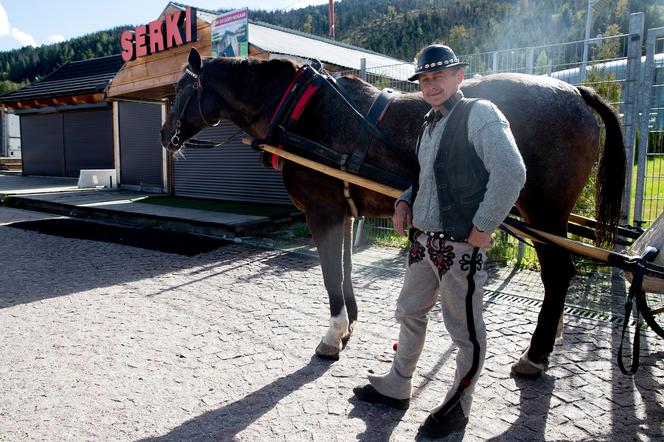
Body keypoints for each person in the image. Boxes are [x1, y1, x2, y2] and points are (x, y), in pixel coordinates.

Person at [353, 44, 526, 438]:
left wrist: (483, 225)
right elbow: (427, 177)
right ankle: (398, 385)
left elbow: (511, 172)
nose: (431, 85)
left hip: (459, 247)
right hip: (422, 243)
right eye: (425, 79)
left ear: (459, 77)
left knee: (464, 330)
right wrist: (404, 199)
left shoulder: (480, 114)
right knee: (409, 311)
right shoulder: (429, 123)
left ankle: (458, 406)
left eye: (439, 76)